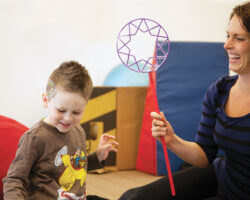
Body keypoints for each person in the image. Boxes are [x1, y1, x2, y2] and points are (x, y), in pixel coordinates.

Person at [119, 1, 250, 200]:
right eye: (227, 36)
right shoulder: (220, 90)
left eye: (238, 38)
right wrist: (172, 140)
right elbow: (204, 155)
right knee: (133, 197)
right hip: (221, 177)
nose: (227, 45)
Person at [3, 61, 118, 200]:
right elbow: (14, 179)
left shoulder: (78, 131)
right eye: (61, 110)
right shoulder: (35, 138)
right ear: (46, 100)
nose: (68, 118)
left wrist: (98, 156)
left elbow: (75, 168)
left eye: (76, 112)